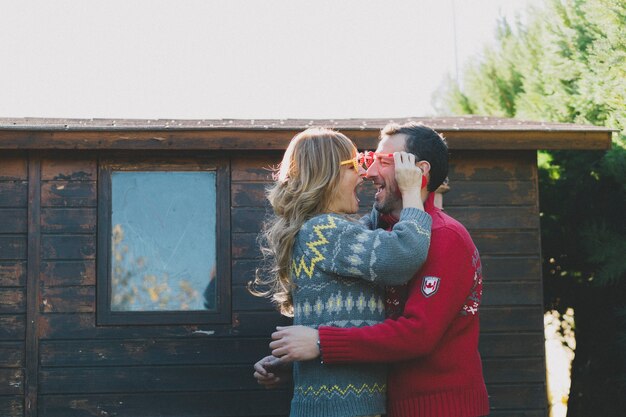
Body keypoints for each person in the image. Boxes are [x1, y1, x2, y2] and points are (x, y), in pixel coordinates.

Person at [258, 122, 490, 417]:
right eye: (366, 161)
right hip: (383, 406)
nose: (368, 173)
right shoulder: (372, 233)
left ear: (417, 172)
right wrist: (298, 361)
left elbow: (417, 334)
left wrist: (320, 343)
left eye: (382, 162)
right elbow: (349, 316)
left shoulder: (445, 237)